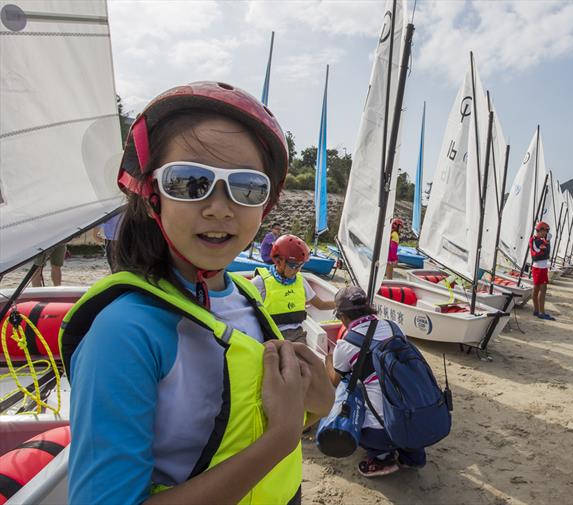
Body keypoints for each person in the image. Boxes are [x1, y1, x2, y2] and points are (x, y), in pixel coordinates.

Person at [63, 81, 334, 505]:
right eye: (190, 182)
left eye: (247, 187)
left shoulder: (245, 296)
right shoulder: (123, 333)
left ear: (264, 204)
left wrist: (316, 400)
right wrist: (279, 439)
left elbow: (257, 418)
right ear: (151, 193)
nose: (220, 207)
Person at [325, 286, 426, 478]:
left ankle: (382, 457)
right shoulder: (394, 327)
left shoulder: (347, 344)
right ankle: (413, 456)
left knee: (350, 393)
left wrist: (328, 360)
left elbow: (335, 381)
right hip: (417, 418)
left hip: (382, 431)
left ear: (343, 317)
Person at [254, 234, 336, 343]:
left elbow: (321, 305)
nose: (297, 270)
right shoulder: (260, 282)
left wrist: (341, 303)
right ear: (278, 261)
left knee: (302, 354)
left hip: (297, 336)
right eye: (293, 266)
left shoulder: (300, 281)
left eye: (300, 265)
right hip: (271, 336)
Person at [529, 221, 555, 321]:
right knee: (542, 289)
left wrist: (546, 241)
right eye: (545, 231)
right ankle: (541, 312)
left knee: (537, 289)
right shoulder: (535, 240)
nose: (546, 233)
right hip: (539, 267)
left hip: (541, 267)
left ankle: (537, 310)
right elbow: (541, 252)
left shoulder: (540, 240)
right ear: (540, 230)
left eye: (547, 231)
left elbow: (546, 253)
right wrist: (547, 242)